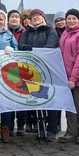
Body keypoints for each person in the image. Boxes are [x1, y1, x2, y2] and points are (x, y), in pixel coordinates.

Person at [17, 8, 60, 140]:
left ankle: (52, 129)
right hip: (31, 70)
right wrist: (35, 50)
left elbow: (50, 46)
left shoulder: (50, 30)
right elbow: (21, 46)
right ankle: (38, 126)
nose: (36, 18)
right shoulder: (26, 32)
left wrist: (32, 50)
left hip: (48, 70)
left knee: (50, 98)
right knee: (35, 97)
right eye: (33, 17)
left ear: (43, 18)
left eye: (38, 16)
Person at [58, 9, 79, 145]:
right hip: (65, 76)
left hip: (78, 77)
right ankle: (71, 131)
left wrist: (73, 78)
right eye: (69, 18)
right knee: (69, 105)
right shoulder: (65, 33)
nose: (71, 21)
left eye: (74, 18)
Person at [0, 10, 18, 143]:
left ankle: (5, 128)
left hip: (7, 72)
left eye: (1, 19)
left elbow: (17, 50)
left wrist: (12, 50)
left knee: (6, 100)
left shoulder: (9, 34)